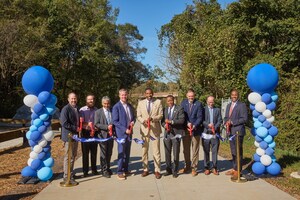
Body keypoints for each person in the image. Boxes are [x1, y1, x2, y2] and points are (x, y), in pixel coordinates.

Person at [137, 88, 163, 179]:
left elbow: (161, 115)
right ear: (145, 94)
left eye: (150, 93)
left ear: (153, 94)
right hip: (144, 130)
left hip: (155, 130)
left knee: (156, 151)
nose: (149, 95)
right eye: (147, 93)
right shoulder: (140, 103)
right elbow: (138, 116)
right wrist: (143, 121)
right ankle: (145, 169)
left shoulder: (158, 102)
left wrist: (153, 119)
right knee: (144, 150)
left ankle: (157, 170)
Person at [224, 89, 248, 179]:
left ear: (238, 96)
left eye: (235, 95)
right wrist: (226, 122)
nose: (234, 96)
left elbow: (244, 119)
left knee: (238, 152)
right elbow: (226, 117)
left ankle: (238, 170)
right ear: (230, 95)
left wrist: (233, 122)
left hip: (238, 132)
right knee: (233, 151)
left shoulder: (242, 105)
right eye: (232, 94)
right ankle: (234, 168)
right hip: (230, 132)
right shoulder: (228, 105)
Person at [179, 89, 203, 176]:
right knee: (186, 150)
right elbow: (182, 115)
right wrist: (187, 123)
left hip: (195, 130)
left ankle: (194, 168)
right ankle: (187, 166)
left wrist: (194, 125)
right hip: (185, 129)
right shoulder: (183, 103)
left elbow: (200, 117)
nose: (191, 97)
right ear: (186, 96)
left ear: (194, 96)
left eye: (192, 96)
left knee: (195, 149)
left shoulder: (199, 104)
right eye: (189, 96)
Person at [112, 89, 135, 180]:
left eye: (125, 95)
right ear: (119, 95)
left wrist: (133, 122)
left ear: (127, 95)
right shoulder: (116, 107)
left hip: (129, 133)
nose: (124, 96)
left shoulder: (129, 106)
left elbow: (133, 117)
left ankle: (125, 170)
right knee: (121, 153)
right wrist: (125, 129)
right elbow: (115, 121)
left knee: (127, 152)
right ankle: (119, 172)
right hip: (121, 134)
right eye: (122, 95)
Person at [161, 95, 185, 178]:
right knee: (167, 153)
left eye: (171, 100)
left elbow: (182, 120)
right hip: (167, 134)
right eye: (168, 101)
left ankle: (175, 170)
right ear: (166, 102)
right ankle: (168, 169)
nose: (169, 102)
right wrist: (164, 125)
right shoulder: (165, 109)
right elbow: (162, 121)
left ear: (173, 100)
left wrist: (171, 121)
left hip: (176, 134)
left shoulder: (179, 108)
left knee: (176, 153)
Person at [60, 92, 79, 183]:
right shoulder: (65, 109)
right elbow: (64, 123)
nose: (73, 100)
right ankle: (66, 176)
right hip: (69, 137)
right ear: (68, 99)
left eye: (75, 98)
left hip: (75, 136)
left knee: (73, 156)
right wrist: (76, 128)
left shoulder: (76, 109)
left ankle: (70, 173)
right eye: (72, 98)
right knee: (68, 157)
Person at [94, 96, 114, 178]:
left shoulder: (112, 110)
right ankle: (104, 170)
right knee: (103, 153)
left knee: (109, 152)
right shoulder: (98, 112)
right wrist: (106, 127)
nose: (107, 105)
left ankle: (108, 168)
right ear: (102, 103)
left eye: (108, 103)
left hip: (111, 136)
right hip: (102, 135)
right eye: (105, 103)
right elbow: (96, 124)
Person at [202, 96, 222, 175]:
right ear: (207, 102)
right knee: (206, 151)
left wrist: (215, 127)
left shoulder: (217, 110)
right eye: (209, 102)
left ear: (214, 102)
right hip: (206, 133)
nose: (211, 103)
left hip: (214, 134)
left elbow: (220, 120)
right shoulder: (203, 110)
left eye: (212, 102)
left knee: (214, 151)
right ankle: (206, 167)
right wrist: (208, 125)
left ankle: (214, 167)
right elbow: (202, 120)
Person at [79, 94, 99, 177]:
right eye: (89, 99)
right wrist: (88, 124)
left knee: (94, 152)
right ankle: (85, 171)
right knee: (85, 153)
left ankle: (94, 170)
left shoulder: (97, 110)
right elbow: (80, 122)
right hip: (85, 133)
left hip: (95, 133)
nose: (90, 101)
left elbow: (98, 121)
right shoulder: (82, 110)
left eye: (92, 99)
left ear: (94, 101)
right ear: (86, 100)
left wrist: (96, 127)